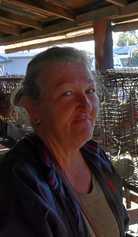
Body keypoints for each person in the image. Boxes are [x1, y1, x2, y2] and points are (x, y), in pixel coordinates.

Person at [0, 47, 129, 236]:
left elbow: (121, 225)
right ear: (33, 108)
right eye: (67, 93)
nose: (86, 104)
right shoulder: (18, 182)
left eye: (90, 90)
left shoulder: (95, 156)